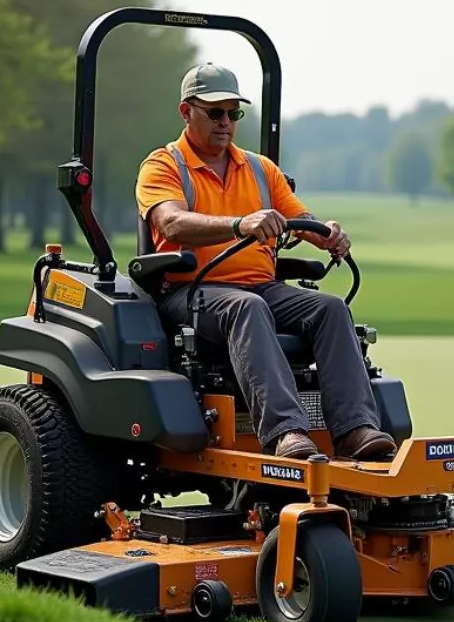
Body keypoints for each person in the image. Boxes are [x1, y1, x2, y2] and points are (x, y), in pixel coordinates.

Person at [135, 63, 397, 462]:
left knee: (329, 308)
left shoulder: (260, 169)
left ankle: (355, 428)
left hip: (260, 286)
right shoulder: (164, 166)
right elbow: (171, 221)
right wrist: (240, 225)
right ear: (186, 111)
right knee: (247, 307)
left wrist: (327, 235)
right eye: (215, 112)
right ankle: (286, 433)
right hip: (191, 291)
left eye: (233, 114)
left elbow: (301, 220)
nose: (226, 123)